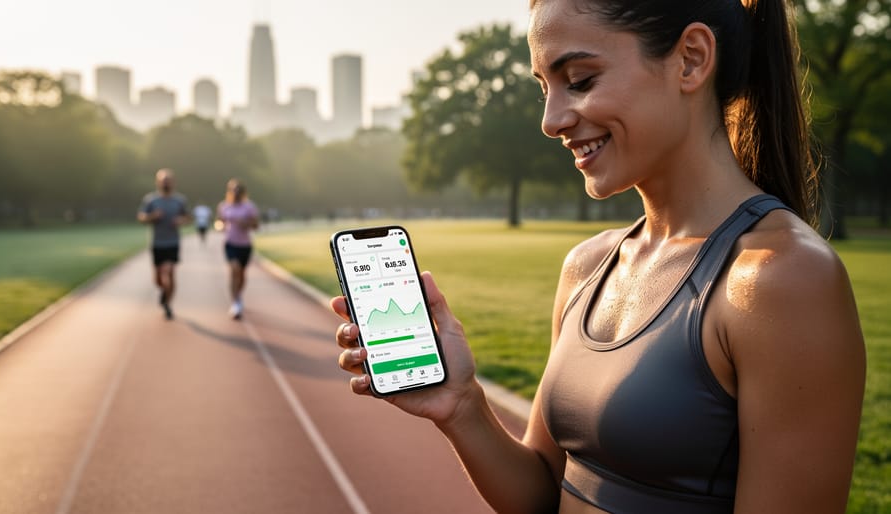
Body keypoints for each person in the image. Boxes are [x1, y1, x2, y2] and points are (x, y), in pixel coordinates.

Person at [332, 1, 866, 513]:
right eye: (545, 88)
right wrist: (463, 405)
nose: (551, 120)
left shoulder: (781, 279)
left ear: (691, 59)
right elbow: (541, 493)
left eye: (580, 81)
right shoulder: (587, 267)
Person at [137, 168, 188, 320]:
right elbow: (141, 217)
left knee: (170, 271)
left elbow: (187, 217)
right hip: (157, 243)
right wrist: (153, 216)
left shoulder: (180, 200)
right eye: (163, 181)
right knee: (158, 279)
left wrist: (181, 221)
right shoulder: (151, 200)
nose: (166, 183)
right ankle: (164, 293)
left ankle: (167, 303)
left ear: (173, 182)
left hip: (173, 242)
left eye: (168, 180)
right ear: (158, 182)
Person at [217, 178, 259, 320]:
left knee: (241, 273)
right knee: (234, 269)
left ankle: (238, 295)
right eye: (232, 190)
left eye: (238, 191)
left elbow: (255, 225)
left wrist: (245, 223)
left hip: (245, 245)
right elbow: (219, 222)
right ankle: (235, 302)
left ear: (242, 193)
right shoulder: (224, 206)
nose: (235, 193)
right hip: (230, 243)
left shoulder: (249, 207)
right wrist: (220, 227)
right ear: (229, 192)